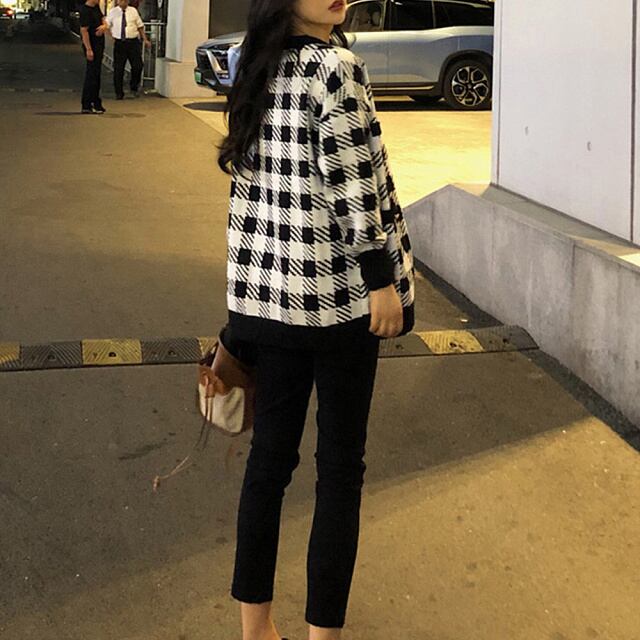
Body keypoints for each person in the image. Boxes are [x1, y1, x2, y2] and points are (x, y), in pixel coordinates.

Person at [217, 0, 415, 638]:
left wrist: (240, 307)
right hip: (339, 306)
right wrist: (381, 282)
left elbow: (246, 195)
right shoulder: (336, 68)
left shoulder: (253, 63)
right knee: (340, 472)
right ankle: (322, 634)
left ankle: (256, 630)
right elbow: (356, 187)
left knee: (268, 467)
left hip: (269, 305)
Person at [106, 0, 151, 100]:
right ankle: (119, 92)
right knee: (119, 68)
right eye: (122, 0)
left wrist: (145, 39)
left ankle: (133, 86)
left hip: (133, 42)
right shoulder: (113, 12)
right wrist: (111, 36)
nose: (124, 2)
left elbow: (140, 26)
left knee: (138, 65)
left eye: (126, 0)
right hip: (120, 42)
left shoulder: (133, 11)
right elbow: (107, 25)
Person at [79, 0, 109, 114]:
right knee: (91, 75)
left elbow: (103, 20)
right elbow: (84, 31)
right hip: (92, 44)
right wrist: (88, 49)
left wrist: (104, 26)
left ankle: (96, 102)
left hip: (99, 43)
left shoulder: (96, 8)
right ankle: (87, 104)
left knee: (96, 74)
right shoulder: (85, 10)